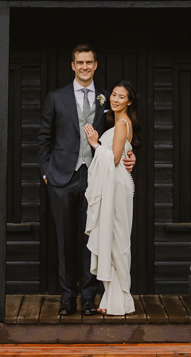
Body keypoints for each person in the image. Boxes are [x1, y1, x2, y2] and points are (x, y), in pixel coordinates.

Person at [37, 44, 136, 316]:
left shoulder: (108, 97)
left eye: (89, 62)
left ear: (95, 65)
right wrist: (47, 172)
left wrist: (130, 156)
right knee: (65, 240)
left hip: (97, 178)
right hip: (61, 178)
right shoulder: (56, 97)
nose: (84, 67)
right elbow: (44, 139)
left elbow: (121, 134)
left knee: (94, 237)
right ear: (72, 65)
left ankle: (89, 298)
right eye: (79, 62)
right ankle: (68, 298)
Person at [84, 80, 139, 316]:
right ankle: (113, 298)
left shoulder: (121, 124)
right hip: (115, 184)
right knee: (116, 238)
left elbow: (115, 158)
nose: (115, 99)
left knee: (116, 239)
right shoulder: (120, 123)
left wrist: (95, 144)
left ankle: (120, 300)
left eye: (121, 97)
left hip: (116, 186)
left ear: (129, 101)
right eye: (113, 95)